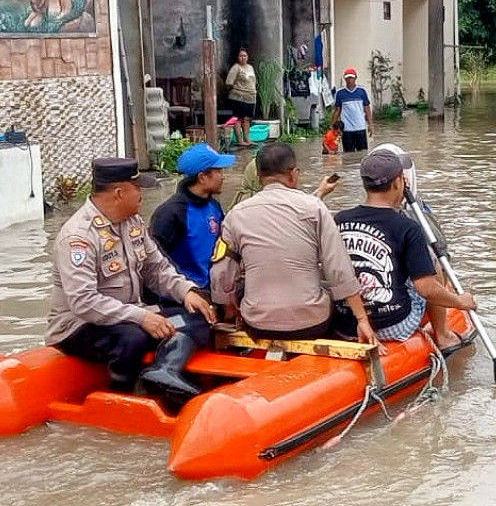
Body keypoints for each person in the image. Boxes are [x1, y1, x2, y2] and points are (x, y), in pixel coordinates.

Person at [46, 158, 217, 404]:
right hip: (79, 326)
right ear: (119, 192)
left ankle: (164, 372)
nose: (142, 195)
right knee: (132, 338)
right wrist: (142, 318)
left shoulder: (132, 223)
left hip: (131, 315)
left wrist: (186, 291)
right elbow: (83, 301)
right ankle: (120, 394)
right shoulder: (79, 237)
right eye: (138, 188)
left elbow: (156, 269)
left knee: (198, 316)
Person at [211, 142, 378, 344]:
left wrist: (230, 311)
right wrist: (362, 319)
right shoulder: (315, 208)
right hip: (311, 322)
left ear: (258, 177)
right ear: (294, 174)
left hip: (257, 323)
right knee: (327, 294)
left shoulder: (235, 214)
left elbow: (222, 273)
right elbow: (339, 270)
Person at [332, 148, 476, 351]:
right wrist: (460, 302)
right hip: (393, 325)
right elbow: (426, 289)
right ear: (400, 182)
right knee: (433, 264)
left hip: (346, 323)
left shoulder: (339, 219)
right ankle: (442, 335)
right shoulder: (408, 227)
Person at [149, 143, 235, 303]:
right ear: (202, 177)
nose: (223, 176)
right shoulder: (169, 214)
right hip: (186, 296)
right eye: (218, 171)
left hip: (214, 292)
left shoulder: (214, 206)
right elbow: (153, 265)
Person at [332, 67, 373, 152]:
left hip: (360, 128)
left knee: (362, 153)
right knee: (348, 154)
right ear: (345, 78)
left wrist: (370, 124)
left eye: (351, 77)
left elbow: (367, 108)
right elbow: (337, 110)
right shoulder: (340, 93)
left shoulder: (362, 91)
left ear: (355, 78)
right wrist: (333, 127)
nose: (349, 80)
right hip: (347, 130)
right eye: (347, 78)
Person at [225, 47, 258, 147]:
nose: (243, 58)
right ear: (238, 57)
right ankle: (240, 140)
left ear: (247, 57)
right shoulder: (236, 67)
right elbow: (228, 82)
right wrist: (237, 90)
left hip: (250, 97)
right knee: (238, 118)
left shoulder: (250, 67)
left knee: (247, 119)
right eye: (241, 56)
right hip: (239, 97)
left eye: (244, 56)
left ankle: (247, 139)